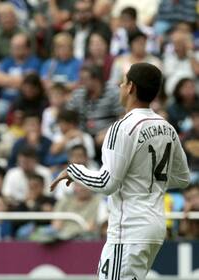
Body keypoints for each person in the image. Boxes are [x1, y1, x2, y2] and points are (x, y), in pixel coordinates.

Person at [51, 62, 190, 279]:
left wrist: (75, 171)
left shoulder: (122, 127)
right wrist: (145, 179)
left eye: (123, 81)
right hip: (154, 227)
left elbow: (107, 183)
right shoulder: (167, 127)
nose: (119, 85)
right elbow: (183, 178)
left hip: (129, 227)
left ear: (131, 87)